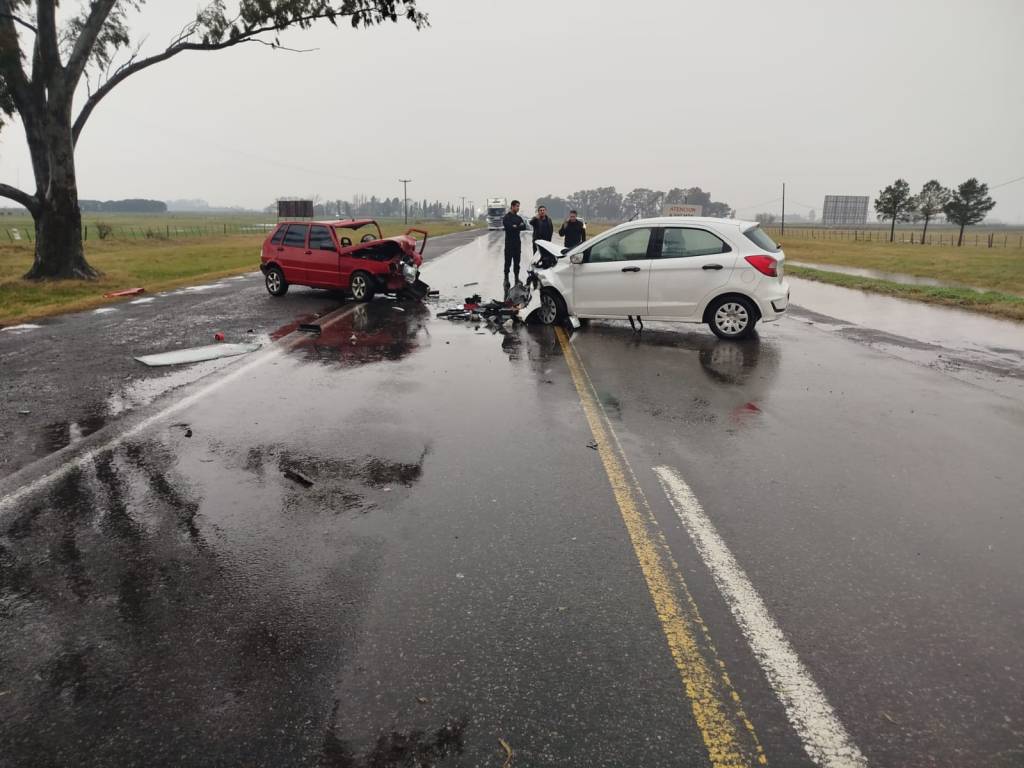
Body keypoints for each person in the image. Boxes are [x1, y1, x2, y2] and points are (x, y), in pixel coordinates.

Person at [502, 200, 527, 284]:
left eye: (519, 206)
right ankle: (506, 279)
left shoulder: (519, 218)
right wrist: (517, 226)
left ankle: (517, 278)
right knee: (508, 262)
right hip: (509, 243)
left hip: (517, 243)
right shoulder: (506, 217)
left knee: (517, 262)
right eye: (517, 206)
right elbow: (509, 227)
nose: (518, 208)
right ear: (512, 206)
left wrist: (515, 226)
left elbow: (524, 227)